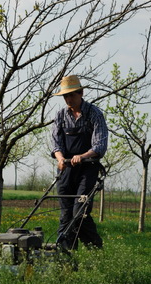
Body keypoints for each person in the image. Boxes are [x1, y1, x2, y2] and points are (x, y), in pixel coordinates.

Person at [51, 75, 108, 250]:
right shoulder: (60, 115)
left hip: (88, 169)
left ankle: (95, 249)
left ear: (81, 93)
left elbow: (100, 145)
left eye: (72, 95)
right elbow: (55, 143)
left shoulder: (94, 114)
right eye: (65, 96)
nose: (68, 99)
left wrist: (82, 156)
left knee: (79, 212)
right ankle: (66, 254)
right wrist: (60, 158)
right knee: (66, 214)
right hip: (67, 168)